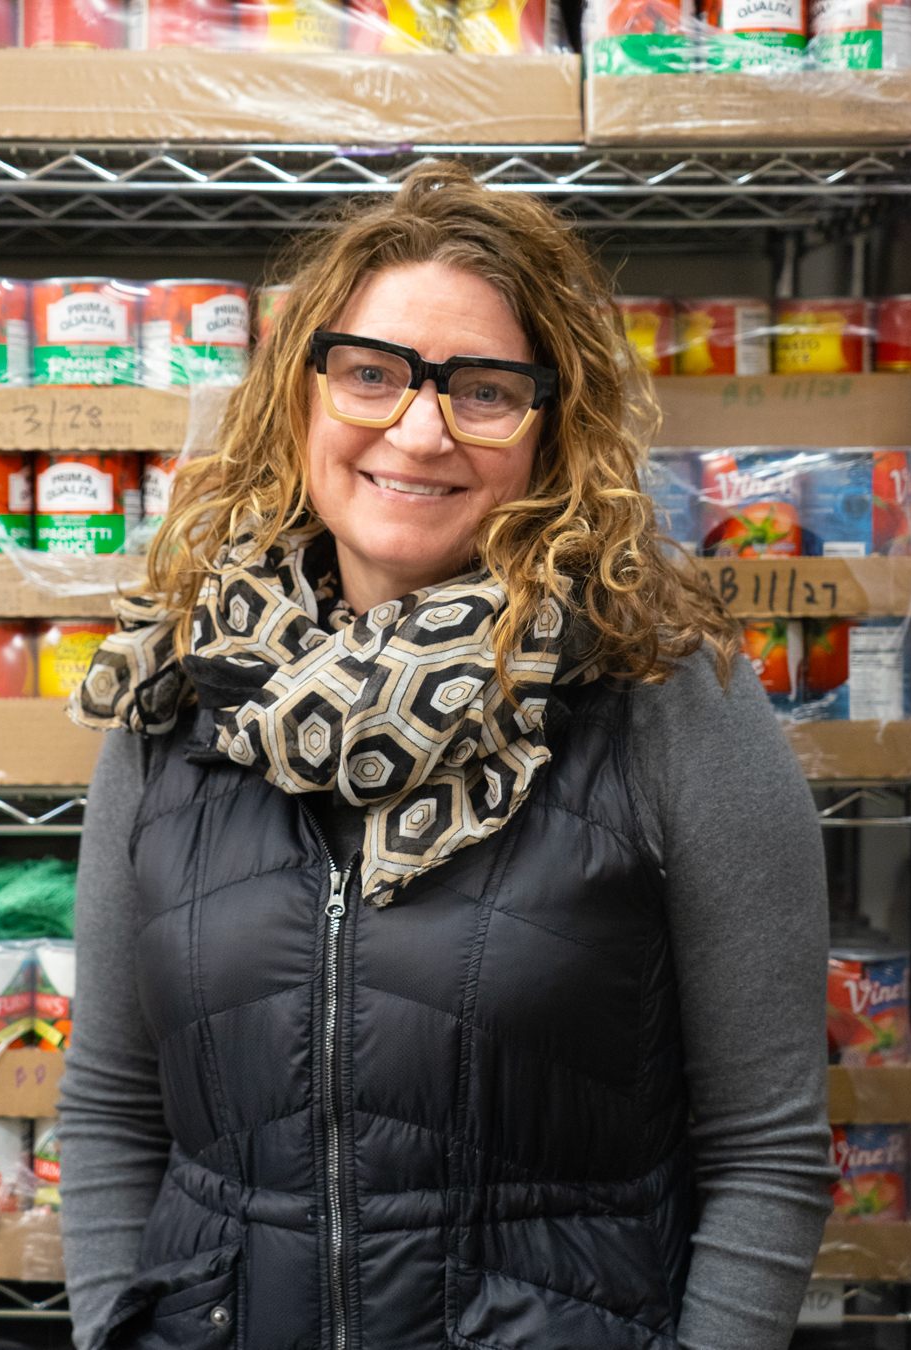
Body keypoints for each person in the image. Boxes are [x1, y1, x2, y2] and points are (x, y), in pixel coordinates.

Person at [59, 161, 834, 1350]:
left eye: (483, 391)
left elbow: (766, 1154)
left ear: (553, 428)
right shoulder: (176, 694)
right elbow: (112, 1112)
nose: (417, 430)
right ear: (297, 397)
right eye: (372, 374)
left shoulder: (669, 699)